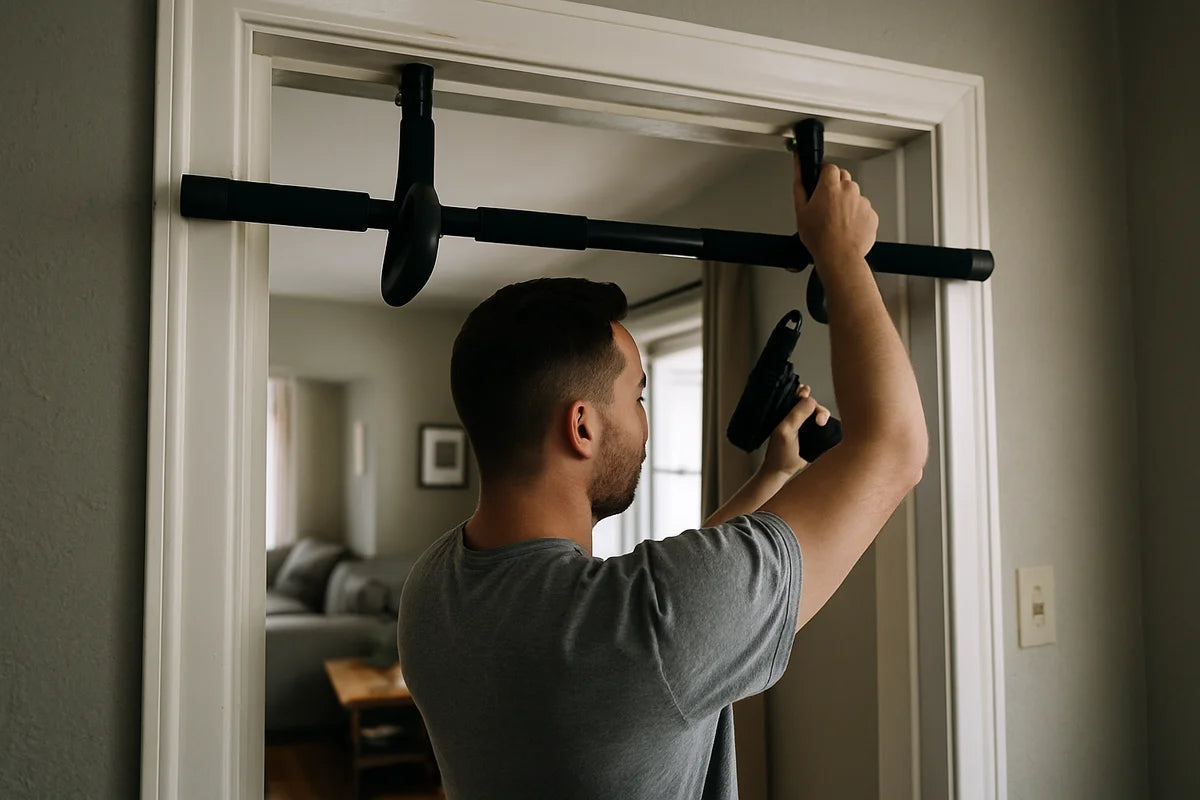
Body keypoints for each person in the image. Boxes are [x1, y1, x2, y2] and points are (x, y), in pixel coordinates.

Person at [397, 156, 928, 799]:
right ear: (583, 427)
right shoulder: (649, 626)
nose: (647, 424)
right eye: (639, 397)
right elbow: (895, 448)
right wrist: (842, 255)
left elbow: (659, 613)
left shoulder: (430, 589)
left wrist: (773, 478)